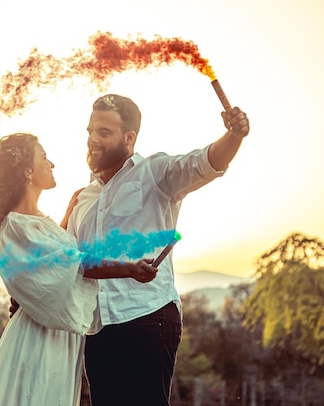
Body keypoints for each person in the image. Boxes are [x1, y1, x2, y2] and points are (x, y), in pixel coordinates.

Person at [64, 94, 250, 406]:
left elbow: (206, 162)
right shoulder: (83, 198)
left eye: (104, 132)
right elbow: (68, 261)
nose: (93, 140)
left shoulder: (154, 173)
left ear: (129, 137)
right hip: (97, 329)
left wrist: (234, 135)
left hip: (148, 319)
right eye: (90, 131)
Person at [0, 132, 159, 406]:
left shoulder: (34, 222)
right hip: (38, 338)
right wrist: (130, 269)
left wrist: (66, 218)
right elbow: (73, 264)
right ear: (27, 170)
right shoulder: (15, 225)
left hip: (58, 337)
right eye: (44, 157)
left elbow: (51, 258)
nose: (52, 164)